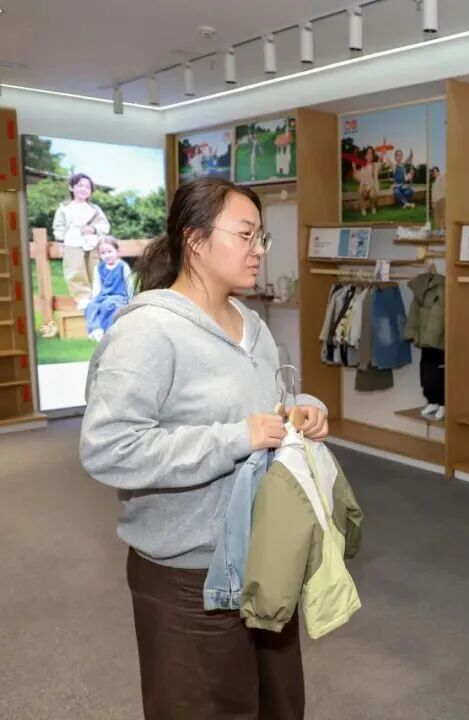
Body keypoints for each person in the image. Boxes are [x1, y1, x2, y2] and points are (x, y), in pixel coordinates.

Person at [79, 177, 331, 719]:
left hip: (265, 557)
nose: (258, 250)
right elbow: (108, 447)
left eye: (261, 237)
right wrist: (236, 438)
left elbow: (272, 399)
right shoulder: (148, 331)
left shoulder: (252, 325)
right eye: (245, 235)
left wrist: (304, 408)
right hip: (188, 575)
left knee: (280, 704)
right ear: (195, 240)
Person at [52, 173, 110, 310]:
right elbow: (59, 226)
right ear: (71, 187)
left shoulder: (95, 209)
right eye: (80, 186)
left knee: (95, 271)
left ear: (91, 191)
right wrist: (60, 242)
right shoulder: (64, 208)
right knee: (75, 271)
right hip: (72, 243)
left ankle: (97, 297)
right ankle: (83, 298)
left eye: (87, 187)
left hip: (93, 244)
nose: (84, 189)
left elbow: (105, 226)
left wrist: (93, 229)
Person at [84, 236, 133, 342]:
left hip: (119, 296)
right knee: (91, 306)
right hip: (103, 296)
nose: (107, 255)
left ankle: (108, 331)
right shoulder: (99, 268)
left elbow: (129, 284)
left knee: (107, 305)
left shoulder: (122, 266)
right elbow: (97, 286)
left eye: (109, 252)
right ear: (99, 255)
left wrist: (131, 300)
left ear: (117, 252)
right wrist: (95, 299)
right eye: (103, 253)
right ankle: (95, 330)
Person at [354, 146, 380, 217]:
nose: (370, 155)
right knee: (360, 191)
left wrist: (377, 188)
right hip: (364, 186)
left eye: (371, 153)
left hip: (371, 186)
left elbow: (376, 178)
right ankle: (363, 209)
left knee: (373, 194)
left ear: (373, 155)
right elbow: (360, 179)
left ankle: (373, 208)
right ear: (365, 156)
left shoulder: (375, 165)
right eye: (368, 153)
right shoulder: (362, 166)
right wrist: (361, 187)